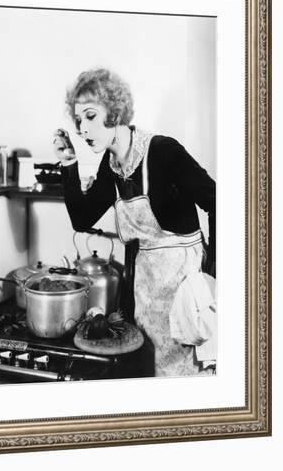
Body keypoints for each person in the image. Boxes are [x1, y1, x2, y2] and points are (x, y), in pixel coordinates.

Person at [53, 68, 216, 377]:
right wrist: (69, 162)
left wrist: (211, 276)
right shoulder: (112, 162)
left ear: (114, 112)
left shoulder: (163, 151)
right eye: (78, 120)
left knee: (184, 373)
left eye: (90, 116)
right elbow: (82, 218)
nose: (82, 128)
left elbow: (219, 202)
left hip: (184, 284)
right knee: (151, 366)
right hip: (145, 286)